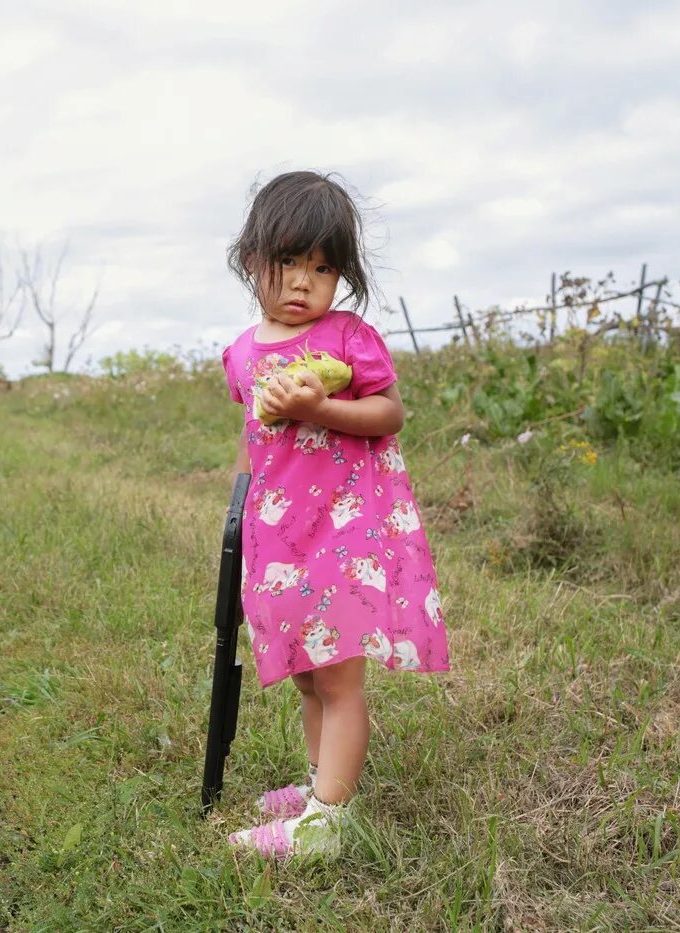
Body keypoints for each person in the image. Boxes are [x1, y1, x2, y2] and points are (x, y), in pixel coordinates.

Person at [220, 171, 450, 859]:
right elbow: (250, 438)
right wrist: (237, 510)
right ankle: (320, 780)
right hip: (278, 534)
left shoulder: (348, 338)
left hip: (343, 533)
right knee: (304, 669)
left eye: (321, 268)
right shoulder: (241, 352)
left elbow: (389, 413)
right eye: (287, 262)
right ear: (251, 260)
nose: (302, 282)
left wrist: (318, 408)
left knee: (340, 673)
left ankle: (329, 820)